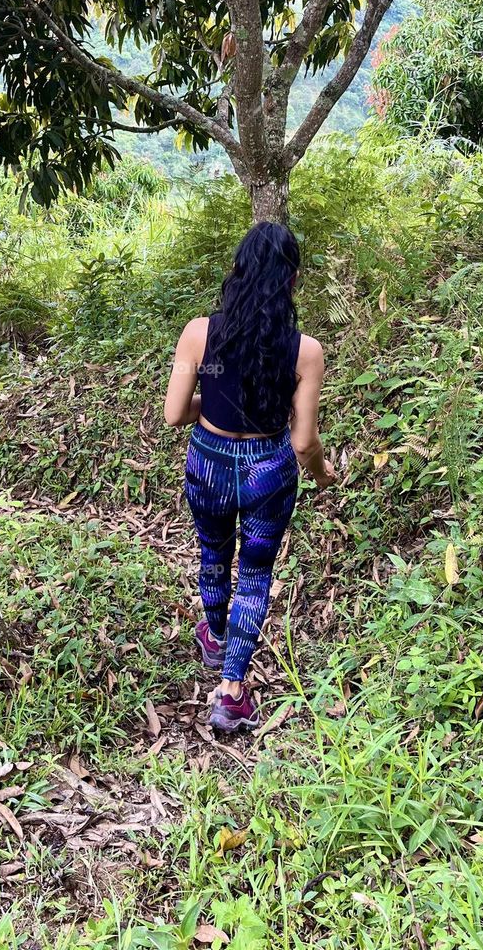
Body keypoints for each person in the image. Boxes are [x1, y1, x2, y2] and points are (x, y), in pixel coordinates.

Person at [164, 221, 335, 733]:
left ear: (237, 272)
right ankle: (232, 690)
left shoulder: (200, 334)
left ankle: (214, 638)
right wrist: (323, 475)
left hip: (209, 465)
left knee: (213, 554)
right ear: (291, 279)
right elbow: (304, 440)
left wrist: (211, 407)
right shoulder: (306, 351)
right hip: (268, 471)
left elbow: (175, 414)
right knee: (256, 574)